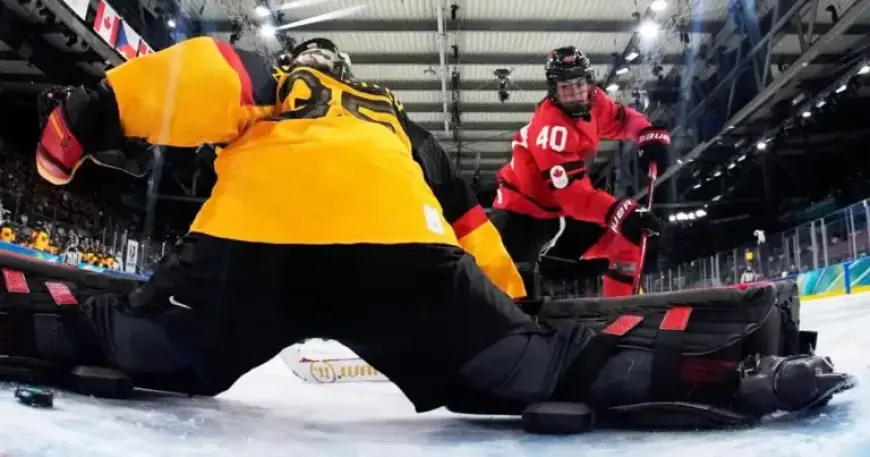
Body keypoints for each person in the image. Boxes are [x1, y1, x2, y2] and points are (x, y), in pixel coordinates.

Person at [0, 36, 850, 432]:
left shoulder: (286, 84)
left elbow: (206, 76)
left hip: (253, 246)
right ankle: (747, 362)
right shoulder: (397, 119)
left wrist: (79, 124)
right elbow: (473, 225)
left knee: (137, 343)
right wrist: (519, 316)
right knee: (528, 371)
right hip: (402, 250)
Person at [491, 46, 668, 299]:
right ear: (554, 90)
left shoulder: (595, 100)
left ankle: (620, 314)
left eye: (579, 83)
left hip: (560, 213)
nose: (575, 94)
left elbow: (622, 119)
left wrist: (646, 134)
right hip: (521, 215)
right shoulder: (551, 128)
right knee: (516, 299)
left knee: (632, 237)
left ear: (589, 81)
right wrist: (621, 211)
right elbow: (575, 198)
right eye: (565, 87)